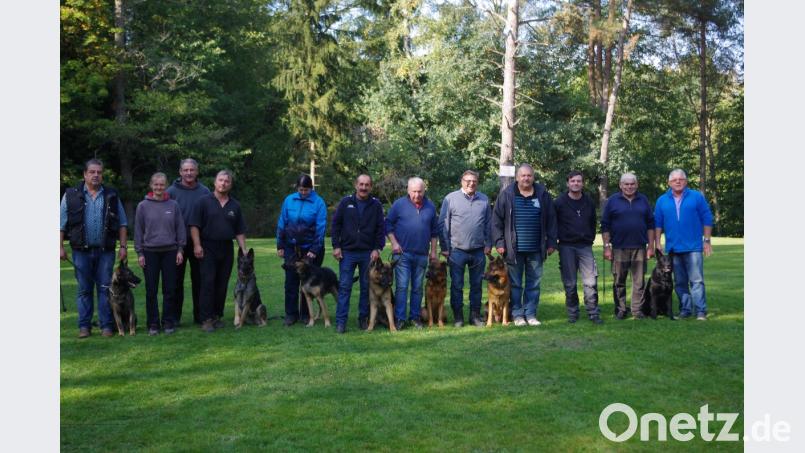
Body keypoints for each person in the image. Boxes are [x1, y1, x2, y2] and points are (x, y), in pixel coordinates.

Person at [60, 158, 129, 338]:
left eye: (99, 172)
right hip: (80, 251)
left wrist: (123, 247)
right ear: (84, 174)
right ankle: (84, 327)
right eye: (92, 172)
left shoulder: (111, 195)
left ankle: (106, 326)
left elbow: (122, 223)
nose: (96, 175)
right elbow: (60, 224)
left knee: (105, 287)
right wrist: (59, 246)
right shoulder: (70, 195)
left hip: (105, 251)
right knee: (84, 289)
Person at [492, 164, 557, 327]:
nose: (526, 178)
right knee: (515, 284)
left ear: (533, 177)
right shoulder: (506, 195)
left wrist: (551, 242)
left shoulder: (542, 195)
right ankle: (517, 314)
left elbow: (552, 220)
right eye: (523, 176)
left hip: (537, 248)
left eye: (529, 175)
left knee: (533, 283)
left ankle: (530, 314)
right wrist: (499, 242)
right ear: (517, 177)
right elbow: (496, 221)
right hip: (513, 249)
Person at [188, 170, 247, 333]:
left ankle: (216, 316)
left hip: (226, 248)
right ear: (215, 183)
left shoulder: (235, 205)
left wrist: (244, 250)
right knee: (207, 283)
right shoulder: (203, 202)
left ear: (230, 184)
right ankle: (205, 319)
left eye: (227, 181)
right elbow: (194, 225)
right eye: (220, 180)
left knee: (222, 284)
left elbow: (240, 230)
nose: (223, 183)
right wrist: (197, 245)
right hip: (207, 247)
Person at [654, 169, 714, 320]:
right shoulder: (662, 200)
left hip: (693, 247)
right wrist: (657, 243)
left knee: (697, 281)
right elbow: (658, 224)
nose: (678, 181)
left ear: (686, 181)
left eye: (681, 179)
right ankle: (685, 310)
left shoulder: (696, 197)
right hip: (673, 249)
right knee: (680, 282)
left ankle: (700, 311)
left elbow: (707, 218)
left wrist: (707, 240)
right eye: (674, 180)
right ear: (669, 183)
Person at [331, 174, 385, 334]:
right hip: (347, 252)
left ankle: (363, 319)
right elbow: (335, 225)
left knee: (365, 287)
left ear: (371, 187)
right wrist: (336, 246)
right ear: (356, 185)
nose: (363, 187)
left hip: (367, 253)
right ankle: (341, 322)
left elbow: (380, 229)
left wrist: (377, 248)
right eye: (361, 184)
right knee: (345, 287)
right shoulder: (346, 202)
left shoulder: (375, 205)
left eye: (367, 185)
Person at [134, 172, 186, 335]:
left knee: (170, 289)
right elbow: (138, 231)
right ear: (151, 185)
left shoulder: (173, 205)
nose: (159, 187)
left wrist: (180, 249)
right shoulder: (143, 206)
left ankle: (168, 322)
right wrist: (140, 253)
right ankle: (153, 323)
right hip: (150, 253)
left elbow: (180, 229)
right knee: (151, 290)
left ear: (166, 186)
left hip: (170, 252)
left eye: (162, 184)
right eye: (156, 184)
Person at [439, 170, 492, 327]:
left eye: (474, 181)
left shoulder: (483, 199)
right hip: (456, 250)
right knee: (457, 285)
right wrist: (445, 247)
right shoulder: (451, 198)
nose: (471, 183)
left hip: (478, 250)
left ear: (477, 182)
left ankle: (475, 316)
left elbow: (489, 224)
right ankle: (458, 317)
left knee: (476, 285)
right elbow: (443, 224)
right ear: (461, 181)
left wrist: (489, 244)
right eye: (468, 180)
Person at [386, 177, 439, 330]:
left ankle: (415, 318)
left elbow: (434, 232)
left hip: (422, 255)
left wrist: (433, 251)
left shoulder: (430, 206)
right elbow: (388, 225)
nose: (417, 195)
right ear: (408, 191)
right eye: (414, 192)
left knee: (417, 288)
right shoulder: (399, 205)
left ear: (424, 191)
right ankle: (400, 318)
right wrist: (394, 243)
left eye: (420, 191)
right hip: (402, 254)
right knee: (402, 287)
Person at [600, 172, 655, 319]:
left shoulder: (643, 200)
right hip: (618, 247)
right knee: (619, 281)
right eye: (626, 184)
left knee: (639, 281)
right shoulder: (612, 201)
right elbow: (605, 225)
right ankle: (621, 310)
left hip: (640, 247)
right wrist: (606, 247)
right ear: (620, 185)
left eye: (632, 184)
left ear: (636, 185)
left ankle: (637, 310)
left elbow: (651, 224)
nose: (629, 187)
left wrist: (651, 246)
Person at [276, 174, 327, 326]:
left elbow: (321, 227)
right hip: (291, 247)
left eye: (306, 190)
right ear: (297, 188)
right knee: (290, 281)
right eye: (301, 189)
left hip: (311, 248)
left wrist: (314, 249)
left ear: (311, 188)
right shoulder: (289, 200)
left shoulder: (319, 203)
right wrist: (280, 245)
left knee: (309, 282)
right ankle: (291, 314)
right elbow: (282, 223)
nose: (303, 193)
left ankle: (306, 314)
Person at [554, 171, 602, 324]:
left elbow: (593, 222)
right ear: (568, 183)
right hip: (566, 246)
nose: (576, 183)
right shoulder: (559, 202)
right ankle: (573, 312)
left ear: (583, 183)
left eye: (579, 181)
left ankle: (593, 312)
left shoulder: (588, 201)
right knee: (570, 282)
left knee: (591, 282)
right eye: (573, 181)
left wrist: (590, 238)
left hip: (585, 246)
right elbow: (553, 223)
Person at [166, 158, 210, 325]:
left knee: (199, 281)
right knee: (175, 282)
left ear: (197, 171)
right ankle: (174, 318)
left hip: (199, 243)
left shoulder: (204, 191)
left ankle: (200, 316)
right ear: (180, 172)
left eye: (192, 170)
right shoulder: (170, 192)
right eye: (186, 170)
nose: (189, 173)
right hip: (177, 244)